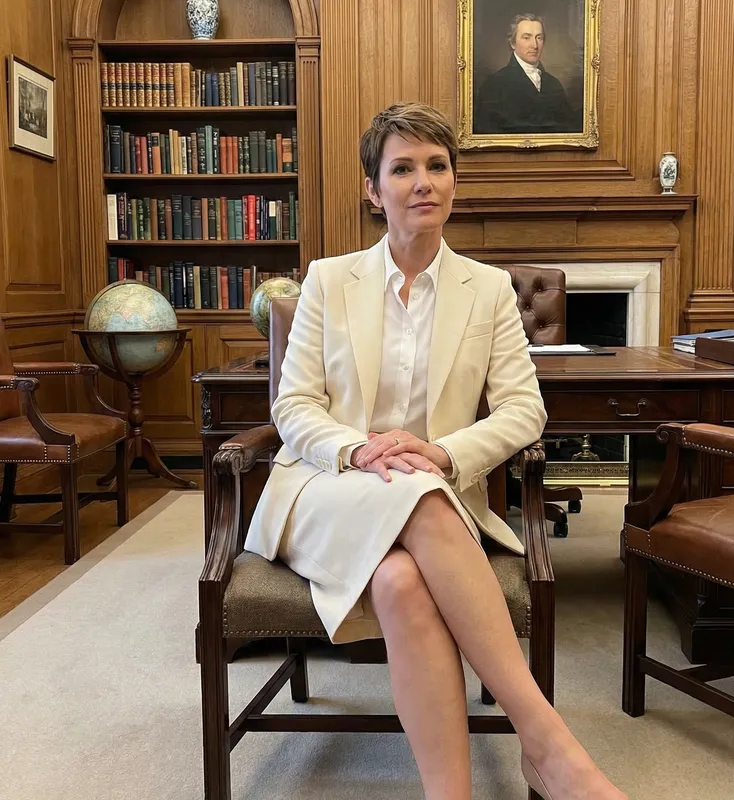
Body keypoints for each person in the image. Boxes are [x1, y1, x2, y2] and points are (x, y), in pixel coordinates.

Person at [244, 102, 625, 799]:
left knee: (399, 582)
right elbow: (293, 409)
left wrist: (444, 454)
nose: (424, 181)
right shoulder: (328, 280)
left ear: (454, 180)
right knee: (411, 493)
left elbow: (524, 409)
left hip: (433, 491)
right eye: (403, 168)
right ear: (373, 190)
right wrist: (361, 452)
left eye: (437, 166)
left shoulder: (485, 289)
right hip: (325, 486)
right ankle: (548, 743)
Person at [474, 14, 580, 135]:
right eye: (526, 37)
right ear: (512, 43)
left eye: (539, 38)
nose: (534, 45)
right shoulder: (494, 85)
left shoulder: (553, 84)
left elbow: (568, 130)